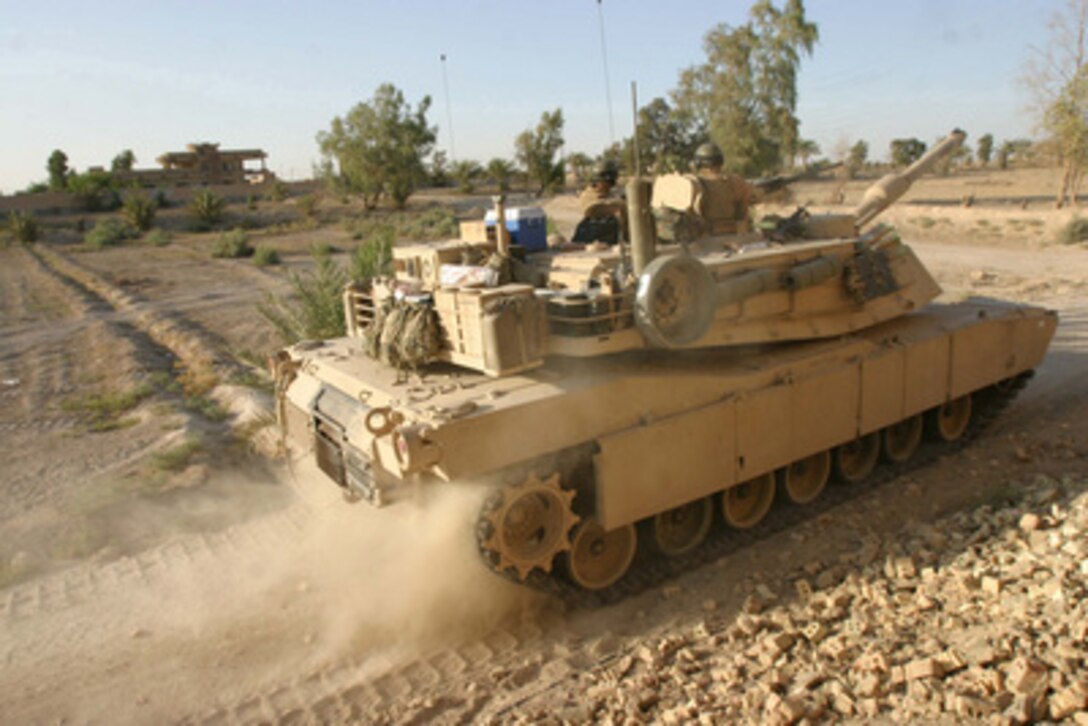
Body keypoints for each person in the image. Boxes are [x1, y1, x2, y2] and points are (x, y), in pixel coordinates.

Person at [691, 142, 762, 235]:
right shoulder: (735, 182)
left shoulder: (692, 183)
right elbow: (744, 211)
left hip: (702, 240)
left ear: (698, 162)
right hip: (733, 238)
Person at [572, 160, 626, 245]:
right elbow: (593, 209)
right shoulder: (588, 195)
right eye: (607, 181)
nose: (610, 185)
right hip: (596, 240)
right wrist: (621, 204)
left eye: (611, 182)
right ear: (597, 180)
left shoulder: (609, 194)